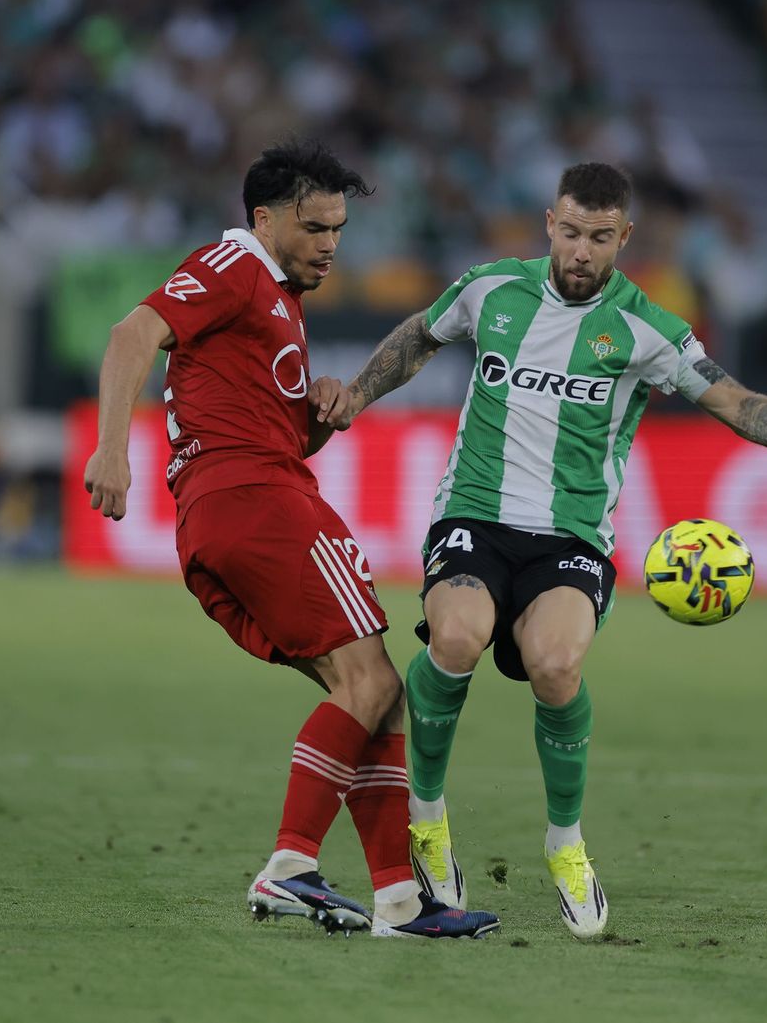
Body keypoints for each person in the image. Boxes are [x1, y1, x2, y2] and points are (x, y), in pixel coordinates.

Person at [323, 163, 767, 938]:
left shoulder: (648, 329)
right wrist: (356, 395)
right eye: (570, 231)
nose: (582, 250)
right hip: (474, 514)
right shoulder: (492, 289)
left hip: (572, 534)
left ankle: (565, 841)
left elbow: (730, 398)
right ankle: (425, 818)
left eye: (600, 237)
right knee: (455, 636)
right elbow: (420, 336)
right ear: (548, 221)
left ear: (623, 237)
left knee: (557, 666)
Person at [81, 138, 498, 940]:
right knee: (372, 682)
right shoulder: (234, 264)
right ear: (265, 218)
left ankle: (399, 901)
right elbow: (132, 335)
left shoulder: (273, 298)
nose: (330, 245)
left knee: (369, 693)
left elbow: (278, 427)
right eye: (314, 227)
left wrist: (322, 412)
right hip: (255, 499)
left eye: (339, 228)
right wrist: (110, 447)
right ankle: (289, 865)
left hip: (228, 509)